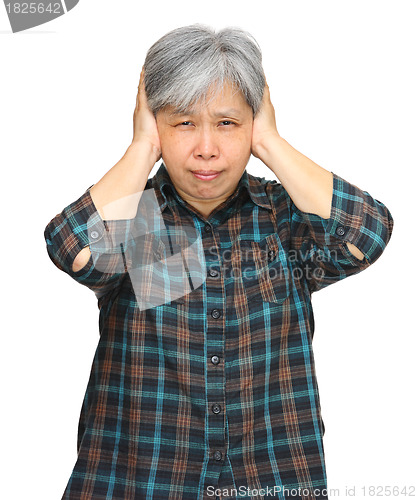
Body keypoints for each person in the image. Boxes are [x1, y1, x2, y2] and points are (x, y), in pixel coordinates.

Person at [44, 24, 393, 500]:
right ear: (154, 123)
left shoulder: (284, 219)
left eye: (227, 123)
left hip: (269, 483)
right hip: (136, 484)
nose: (206, 147)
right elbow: (72, 250)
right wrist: (142, 148)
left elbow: (366, 236)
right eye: (183, 122)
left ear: (254, 121)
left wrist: (269, 142)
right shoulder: (138, 218)